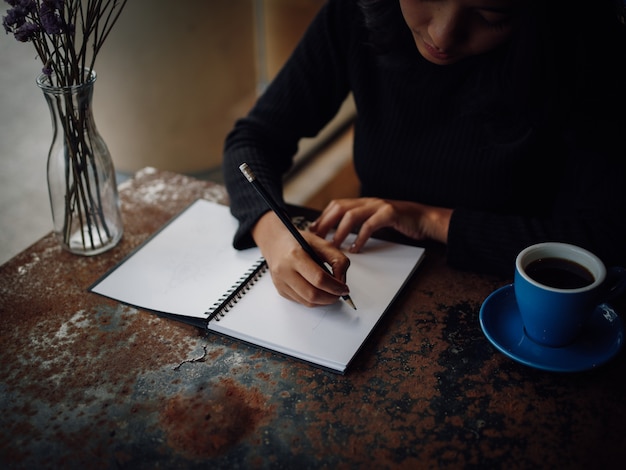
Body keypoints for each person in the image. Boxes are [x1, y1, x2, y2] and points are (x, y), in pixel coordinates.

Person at [223, 0, 626, 307]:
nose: (444, 34)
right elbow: (255, 137)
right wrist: (275, 235)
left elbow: (605, 236)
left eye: (491, 15)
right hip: (375, 268)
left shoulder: (587, 56)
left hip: (513, 298)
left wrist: (430, 220)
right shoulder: (355, 13)